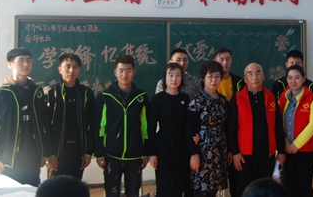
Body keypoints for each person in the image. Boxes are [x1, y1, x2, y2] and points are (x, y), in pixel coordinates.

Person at [0, 47, 57, 186]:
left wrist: (45, 152)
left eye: (29, 60)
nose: (26, 64)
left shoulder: (37, 92)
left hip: (33, 156)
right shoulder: (0, 93)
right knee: (10, 192)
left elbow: (44, 125)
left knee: (32, 189)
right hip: (9, 158)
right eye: (21, 61)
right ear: (10, 64)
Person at [227, 63, 286, 196]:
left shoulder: (270, 97)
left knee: (264, 191)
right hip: (244, 156)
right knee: (243, 191)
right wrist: (235, 152)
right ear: (245, 79)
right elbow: (230, 129)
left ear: (263, 77)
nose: (254, 77)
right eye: (250, 74)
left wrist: (281, 151)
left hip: (267, 155)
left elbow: (278, 126)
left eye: (258, 73)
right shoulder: (237, 98)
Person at [95, 55, 149, 197]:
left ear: (134, 72)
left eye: (128, 70)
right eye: (121, 70)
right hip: (111, 155)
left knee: (133, 193)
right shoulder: (105, 97)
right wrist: (99, 153)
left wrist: (146, 152)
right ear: (115, 72)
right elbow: (99, 127)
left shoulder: (141, 97)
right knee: (112, 193)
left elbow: (145, 128)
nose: (125, 74)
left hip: (134, 156)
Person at [44, 53, 94, 179]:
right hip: (57, 152)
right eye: (68, 66)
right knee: (55, 188)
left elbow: (92, 124)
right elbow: (44, 126)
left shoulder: (86, 93)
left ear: (79, 70)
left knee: (75, 187)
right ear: (60, 69)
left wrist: (88, 153)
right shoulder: (50, 92)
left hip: (78, 151)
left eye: (75, 67)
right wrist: (49, 154)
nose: (71, 70)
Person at [147, 63, 191, 197]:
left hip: (182, 148)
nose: (174, 79)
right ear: (164, 78)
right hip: (163, 148)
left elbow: (189, 125)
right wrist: (151, 153)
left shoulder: (185, 98)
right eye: (170, 75)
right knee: (163, 188)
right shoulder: (157, 99)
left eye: (178, 75)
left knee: (178, 188)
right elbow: (151, 127)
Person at [187, 61, 229, 197]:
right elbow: (189, 130)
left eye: (217, 76)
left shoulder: (223, 100)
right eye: (210, 76)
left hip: (220, 148)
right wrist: (193, 154)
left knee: (214, 189)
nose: (214, 80)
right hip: (203, 151)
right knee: (202, 190)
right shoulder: (196, 100)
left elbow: (227, 126)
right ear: (203, 78)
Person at [278, 65, 313, 197]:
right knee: (291, 187)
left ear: (303, 79)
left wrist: (296, 144)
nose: (293, 81)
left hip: (305, 151)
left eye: (297, 77)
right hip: (288, 150)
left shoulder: (311, 97)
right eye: (290, 78)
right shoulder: (283, 97)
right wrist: (285, 142)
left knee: (304, 187)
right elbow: (278, 122)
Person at [213, 46, 245, 197]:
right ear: (215, 61)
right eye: (221, 59)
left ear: (231, 61)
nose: (224, 62)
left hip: (236, 135)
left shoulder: (239, 82)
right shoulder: (209, 82)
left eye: (227, 59)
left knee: (236, 179)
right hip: (214, 137)